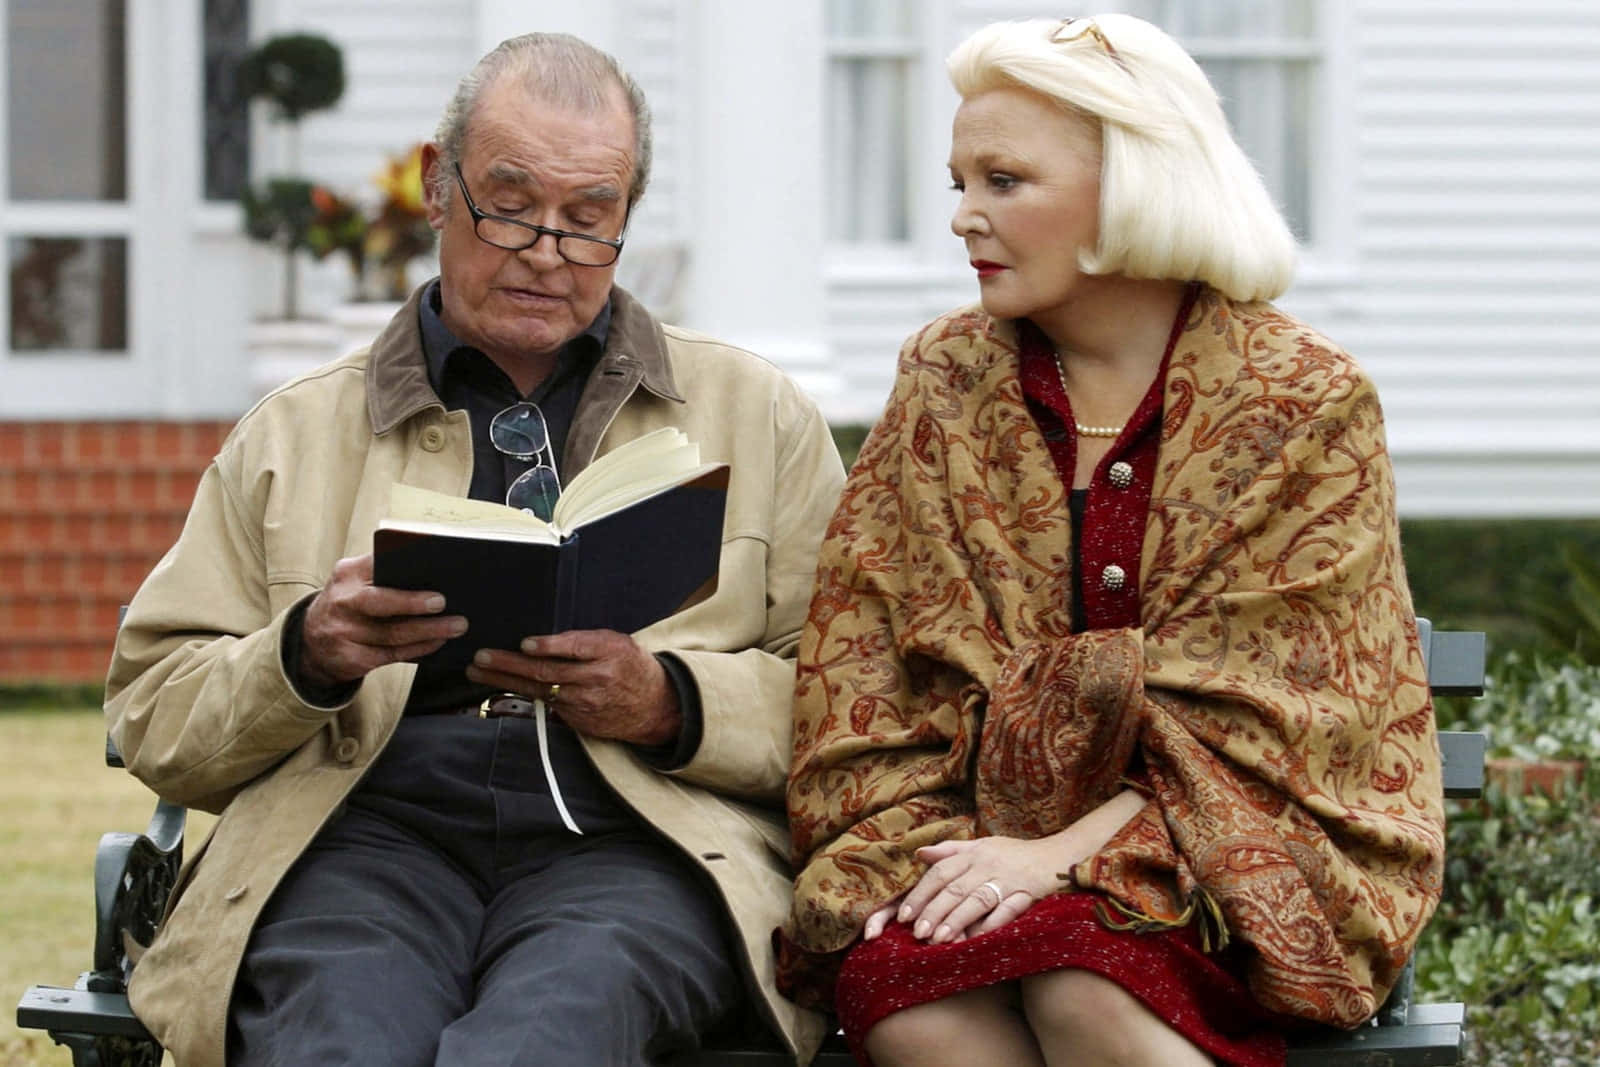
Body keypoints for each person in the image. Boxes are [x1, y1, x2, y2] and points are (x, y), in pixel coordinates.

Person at [105, 32, 841, 1067]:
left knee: (542, 1042)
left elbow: (851, 702)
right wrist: (304, 654)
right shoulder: (297, 431)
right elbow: (154, 714)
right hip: (362, 832)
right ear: (436, 187)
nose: (547, 249)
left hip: (637, 839)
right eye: (510, 204)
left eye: (589, 221)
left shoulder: (757, 416)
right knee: (339, 1042)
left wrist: (672, 699)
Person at [779, 15, 1444, 1067]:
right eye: (958, 180)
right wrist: (979, 852)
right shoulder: (943, 379)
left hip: (1240, 855)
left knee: (1083, 979)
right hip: (962, 833)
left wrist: (1052, 856)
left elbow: (1282, 719)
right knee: (911, 1002)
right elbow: (867, 656)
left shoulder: (1303, 399)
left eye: (1003, 181)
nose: (962, 217)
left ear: (1134, 186)